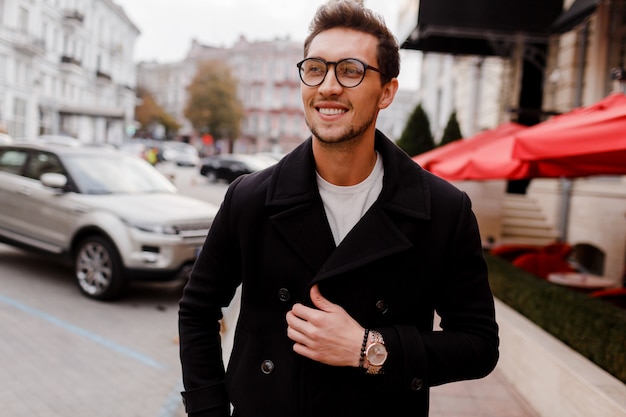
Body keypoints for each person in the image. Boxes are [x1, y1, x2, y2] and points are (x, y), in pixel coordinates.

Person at [178, 2, 499, 416]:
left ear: (387, 91)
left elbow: (478, 345)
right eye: (315, 69)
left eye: (350, 71)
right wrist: (208, 411)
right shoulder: (250, 198)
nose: (328, 86)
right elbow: (198, 309)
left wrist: (370, 349)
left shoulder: (442, 209)